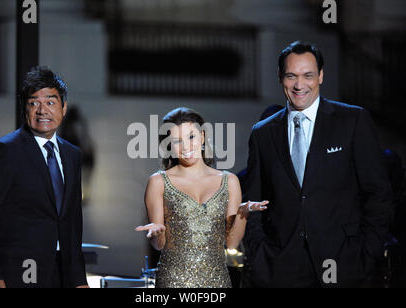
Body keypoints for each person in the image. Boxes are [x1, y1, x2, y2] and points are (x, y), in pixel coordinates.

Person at [243, 41, 393, 288]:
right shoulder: (262, 134)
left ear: (321, 76)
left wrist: (365, 253)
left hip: (345, 265)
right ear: (280, 77)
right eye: (291, 76)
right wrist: (261, 256)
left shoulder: (352, 121)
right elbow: (254, 203)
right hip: (282, 270)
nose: (299, 85)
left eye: (308, 76)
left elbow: (379, 194)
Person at [0, 66, 88, 288]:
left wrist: (79, 280)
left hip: (61, 276)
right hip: (17, 275)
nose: (42, 110)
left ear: (63, 107)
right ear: (25, 109)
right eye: (34, 103)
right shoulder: (4, 151)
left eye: (50, 102)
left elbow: (72, 225)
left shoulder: (72, 155)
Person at [136, 107, 268, 288]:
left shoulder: (229, 181)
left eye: (191, 137)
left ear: (203, 137)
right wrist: (158, 234)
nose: (186, 146)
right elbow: (159, 245)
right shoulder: (158, 182)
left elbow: (231, 242)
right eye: (177, 141)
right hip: (173, 282)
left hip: (217, 282)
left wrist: (242, 213)